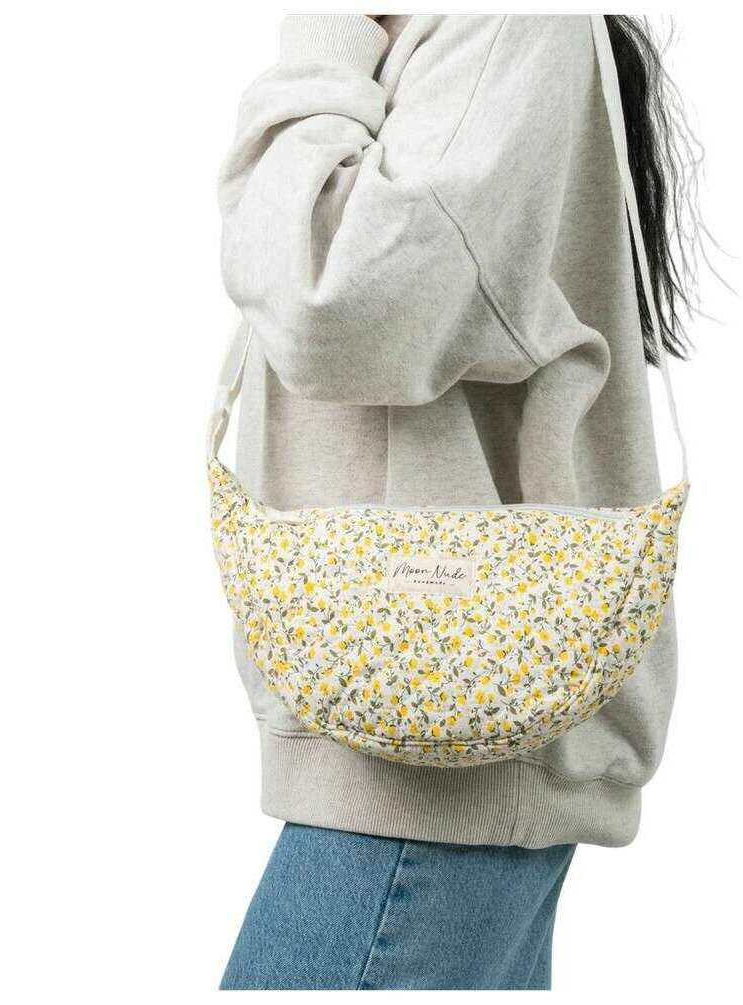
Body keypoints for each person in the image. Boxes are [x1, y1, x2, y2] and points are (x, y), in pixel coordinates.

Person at [216, 13, 698, 991]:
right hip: (424, 740)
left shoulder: (504, 22)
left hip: (433, 765)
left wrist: (322, 49)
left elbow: (331, 304)